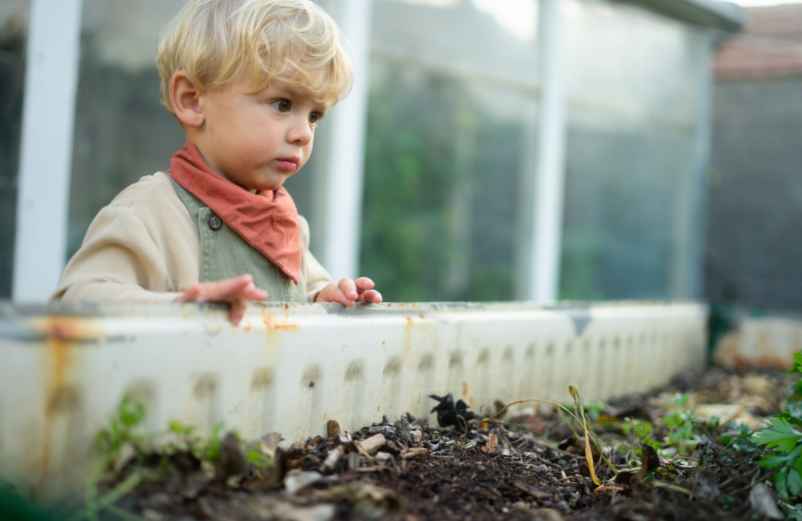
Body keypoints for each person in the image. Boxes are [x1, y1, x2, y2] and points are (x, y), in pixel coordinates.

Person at [53, 0, 382, 324]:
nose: (303, 134)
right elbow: (77, 301)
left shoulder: (287, 225)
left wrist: (325, 298)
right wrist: (181, 309)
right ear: (192, 100)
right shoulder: (148, 212)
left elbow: (304, 291)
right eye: (282, 104)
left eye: (314, 116)